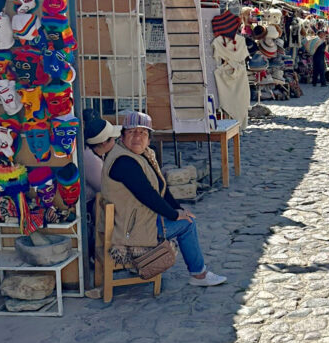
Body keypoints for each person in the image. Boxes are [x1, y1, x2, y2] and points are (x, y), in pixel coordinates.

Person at [101, 111, 226, 287]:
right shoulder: (124, 161)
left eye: (143, 133)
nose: (137, 137)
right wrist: (175, 216)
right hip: (130, 227)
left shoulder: (141, 155)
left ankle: (199, 272)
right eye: (132, 132)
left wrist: (179, 209)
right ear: (122, 136)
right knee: (187, 225)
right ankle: (199, 275)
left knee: (185, 217)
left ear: (149, 139)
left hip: (136, 217)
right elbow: (148, 195)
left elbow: (160, 188)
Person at [83, 110, 121, 258]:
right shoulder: (90, 159)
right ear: (104, 143)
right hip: (89, 205)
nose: (115, 141)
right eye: (113, 139)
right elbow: (104, 188)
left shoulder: (94, 153)